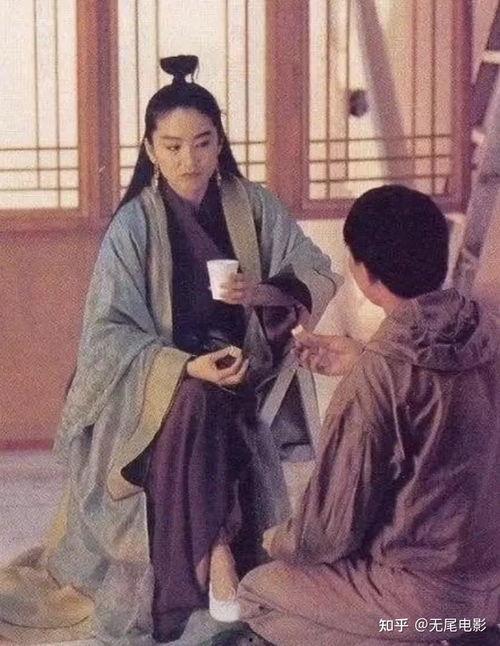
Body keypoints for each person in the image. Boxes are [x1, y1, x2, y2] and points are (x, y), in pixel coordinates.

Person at [0, 56, 340, 644]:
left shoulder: (253, 206)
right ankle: (217, 558)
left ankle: (188, 586)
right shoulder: (134, 226)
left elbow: (315, 267)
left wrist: (259, 292)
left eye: (203, 143)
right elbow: (107, 333)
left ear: (219, 143)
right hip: (150, 386)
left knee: (209, 397)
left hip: (239, 367)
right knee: (194, 400)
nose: (190, 160)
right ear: (151, 150)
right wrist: (182, 365)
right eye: (174, 146)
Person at [238, 185, 500, 646]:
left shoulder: (378, 377)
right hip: (491, 577)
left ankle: (425, 638)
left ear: (363, 273)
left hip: (425, 594)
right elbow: (438, 389)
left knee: (257, 593)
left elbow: (330, 532)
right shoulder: (487, 331)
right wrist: (364, 358)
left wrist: (276, 539)